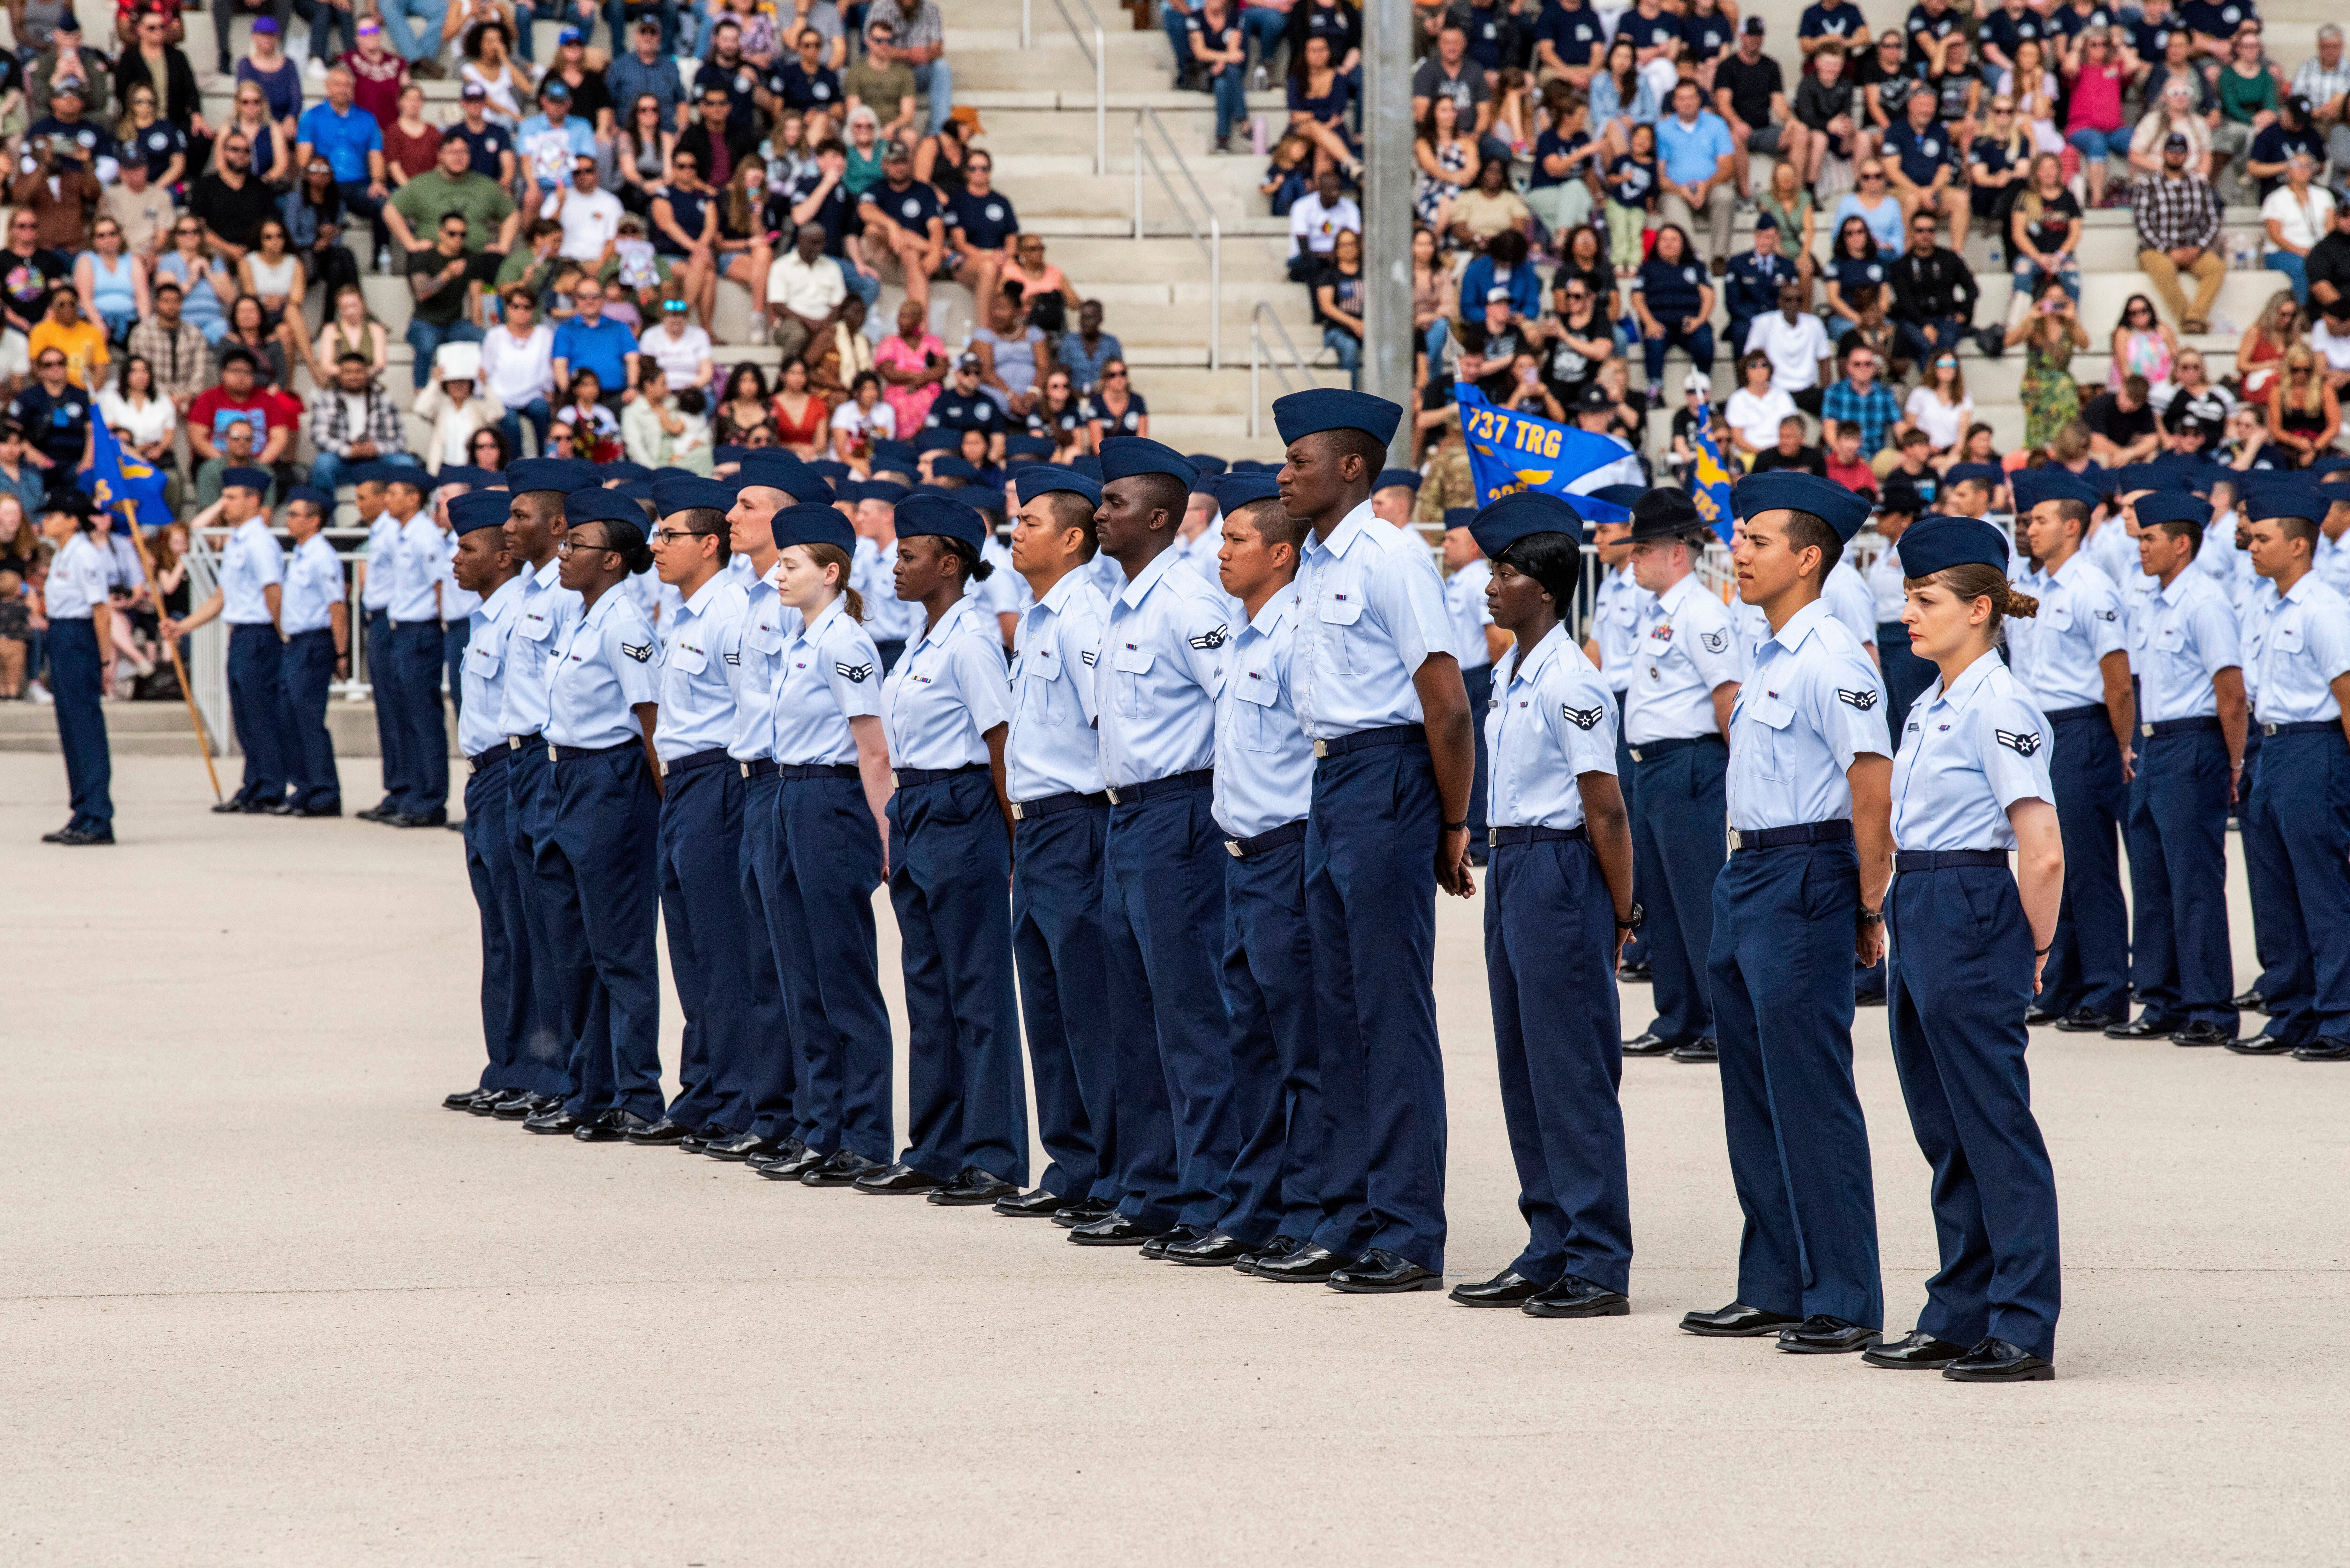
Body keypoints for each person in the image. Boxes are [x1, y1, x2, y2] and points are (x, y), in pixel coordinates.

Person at [1252, 389, 1470, 1293]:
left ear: (1351, 466)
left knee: (1388, 1013)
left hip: (1387, 777)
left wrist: (1453, 823)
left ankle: (1409, 1230)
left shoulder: (1389, 558)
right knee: (1334, 1013)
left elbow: (1446, 700)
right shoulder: (1310, 566)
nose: (1282, 472)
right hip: (1331, 777)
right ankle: (1348, 1215)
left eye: (1298, 459)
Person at [1680, 471, 1891, 1355]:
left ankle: (1842, 1294)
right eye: (1739, 536)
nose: (1739, 550)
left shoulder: (1832, 657)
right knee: (1754, 1093)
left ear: (1808, 558)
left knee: (1810, 1092)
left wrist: (1869, 900)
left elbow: (1871, 780)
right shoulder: (1767, 649)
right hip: (1751, 871)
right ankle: (1773, 1281)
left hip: (1806, 869)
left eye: (1758, 539)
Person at [1868, 511, 2065, 1382]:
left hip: (1973, 903)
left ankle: (2022, 1325)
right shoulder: (1933, 703)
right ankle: (1959, 1311)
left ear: (1980, 609)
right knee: (1944, 1129)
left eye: (1927, 599)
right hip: (1923, 900)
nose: (1910, 613)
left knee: (1993, 1126)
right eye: (1908, 597)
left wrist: (2030, 950)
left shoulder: (2000, 704)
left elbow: (2043, 845)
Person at [1068, 437, 1237, 1251]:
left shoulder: (1189, 600)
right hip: (1124, 815)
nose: (1100, 513)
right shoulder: (1123, 599)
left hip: (1179, 812)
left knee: (1188, 1015)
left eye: (1116, 503)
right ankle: (1151, 1187)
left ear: (1162, 518)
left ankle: (1207, 1195)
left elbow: (1233, 709)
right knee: (1131, 1014)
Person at [854, 490, 1026, 1202]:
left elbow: (1001, 746)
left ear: (949, 563)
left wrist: (1011, 844)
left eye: (910, 555)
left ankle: (993, 1154)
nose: (896, 567)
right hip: (920, 806)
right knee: (928, 989)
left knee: (976, 990)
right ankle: (935, 1144)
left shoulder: (974, 640)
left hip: (963, 809)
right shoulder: (923, 641)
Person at [745, 481, 897, 1185]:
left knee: (843, 977)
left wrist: (886, 837)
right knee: (798, 972)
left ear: (831, 572)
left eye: (792, 565)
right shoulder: (799, 638)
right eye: (778, 565)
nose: (779, 575)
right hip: (787, 796)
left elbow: (873, 750)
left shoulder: (847, 643)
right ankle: (818, 1126)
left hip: (831, 805)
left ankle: (862, 1135)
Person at [519, 485, 665, 1141]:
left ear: (613, 559)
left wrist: (657, 804)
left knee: (619, 947)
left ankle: (636, 1092)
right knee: (571, 946)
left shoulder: (627, 624)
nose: (564, 551)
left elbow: (650, 722)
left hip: (611, 779)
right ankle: (587, 1084)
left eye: (577, 544)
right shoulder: (582, 617)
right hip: (566, 773)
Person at [993, 467, 1118, 1224]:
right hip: (1037, 824)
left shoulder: (1082, 617)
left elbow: (1111, 721)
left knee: (1087, 1002)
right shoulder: (1041, 616)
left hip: (1077, 820)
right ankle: (1071, 1160)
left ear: (1072, 538)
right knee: (1046, 999)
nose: (1017, 528)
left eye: (1031, 520)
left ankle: (1109, 1167)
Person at [473, 454, 603, 1121]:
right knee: (520, 926)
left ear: (557, 523)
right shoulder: (524, 591)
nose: (509, 525)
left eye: (520, 514)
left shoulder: (564, 594)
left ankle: (561, 1072)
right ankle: (530, 1065)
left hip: (549, 763)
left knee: (557, 931)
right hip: (516, 761)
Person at [2104, 490, 2245, 1045]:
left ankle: (2210, 1006)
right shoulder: (2155, 599)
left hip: (2194, 743)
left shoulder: (2203, 600)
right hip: (2155, 743)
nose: (2140, 547)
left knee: (2194, 882)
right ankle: (2161, 1000)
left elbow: (2230, 693)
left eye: (2150, 539)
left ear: (2181, 544)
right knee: (2152, 878)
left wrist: (2233, 761)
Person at [2000, 468, 2133, 1037]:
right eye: (2027, 520)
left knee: (2089, 864)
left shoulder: (2090, 588)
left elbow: (2117, 679)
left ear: (2074, 527)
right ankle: (2063, 983)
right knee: (2051, 857)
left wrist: (2123, 745)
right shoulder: (2036, 589)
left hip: (2082, 730)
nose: (2030, 528)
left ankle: (2105, 989)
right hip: (2041, 731)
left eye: (2041, 520)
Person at [1617, 487, 1741, 1064]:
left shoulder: (1702, 613)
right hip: (1654, 769)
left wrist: (1738, 781)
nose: (1633, 558)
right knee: (1660, 900)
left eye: (1643, 549)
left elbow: (1727, 698)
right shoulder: (1661, 612)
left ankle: (1722, 1017)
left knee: (1697, 898)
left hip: (1690, 765)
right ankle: (1677, 1014)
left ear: (1678, 553)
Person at [2227, 484, 2350, 1061]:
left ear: (2299, 545)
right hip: (2270, 748)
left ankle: (2341, 1016)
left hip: (2314, 748)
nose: (2251, 545)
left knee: (2322, 889)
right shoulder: (2270, 604)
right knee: (2273, 891)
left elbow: (2348, 697)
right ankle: (2292, 1010)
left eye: (2264, 538)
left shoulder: (2323, 609)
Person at [440, 488, 537, 1113]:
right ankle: (503, 1063)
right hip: (482, 777)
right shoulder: (485, 616)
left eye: (466, 547)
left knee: (522, 929)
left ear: (503, 555)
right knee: (498, 930)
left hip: (509, 771)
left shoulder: (522, 614)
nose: (455, 558)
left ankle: (531, 1067)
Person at [164, 468, 297, 815]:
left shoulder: (260, 542)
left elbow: (273, 592)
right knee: (244, 715)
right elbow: (222, 596)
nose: (226, 504)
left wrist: (282, 634)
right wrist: (184, 627)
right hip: (240, 634)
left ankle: (270, 785)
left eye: (233, 497)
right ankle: (254, 783)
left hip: (260, 635)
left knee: (260, 713)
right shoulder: (238, 539)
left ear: (254, 500)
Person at [36, 492, 113, 846]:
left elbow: (101, 609)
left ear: (71, 520)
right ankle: (82, 809)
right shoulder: (63, 554)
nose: (46, 521)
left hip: (79, 636)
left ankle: (98, 816)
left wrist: (105, 659)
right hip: (62, 634)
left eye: (54, 515)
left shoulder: (85, 555)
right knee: (70, 727)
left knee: (85, 728)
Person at [276, 486, 346, 820]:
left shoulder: (322, 555)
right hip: (296, 643)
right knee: (291, 718)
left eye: (295, 514)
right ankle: (304, 787)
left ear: (314, 521)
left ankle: (324, 792)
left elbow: (337, 607)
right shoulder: (303, 553)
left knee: (308, 719)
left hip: (314, 643)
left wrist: (341, 652)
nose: (288, 520)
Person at [2133, 132, 2225, 335]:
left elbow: (2212, 221)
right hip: (2157, 249)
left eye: (2180, 151)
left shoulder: (2200, 185)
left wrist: (2199, 247)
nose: (2176, 155)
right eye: (2171, 150)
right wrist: (2168, 250)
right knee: (2164, 268)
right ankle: (2189, 322)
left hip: (2193, 248)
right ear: (2163, 153)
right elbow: (2143, 225)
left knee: (2216, 267)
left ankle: (2195, 318)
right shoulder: (2147, 186)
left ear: (2187, 155)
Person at [1655, 78, 1735, 268]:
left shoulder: (1717, 124)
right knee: (1672, 204)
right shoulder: (1662, 129)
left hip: (1711, 187)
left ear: (1700, 100)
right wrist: (1681, 190)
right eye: (1682, 98)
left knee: (1726, 195)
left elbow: (1727, 166)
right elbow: (1661, 176)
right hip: (1676, 192)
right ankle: (1693, 259)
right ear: (1674, 103)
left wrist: (1706, 185)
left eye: (1692, 97)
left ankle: (1719, 258)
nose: (1687, 102)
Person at [1888, 209, 1979, 371]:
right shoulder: (1900, 265)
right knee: (1925, 344)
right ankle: (1934, 390)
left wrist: (1965, 312)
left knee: (1945, 346)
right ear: (1911, 232)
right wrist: (1925, 325)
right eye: (1920, 230)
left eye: (1931, 230)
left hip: (1946, 317)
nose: (1926, 235)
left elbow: (1972, 288)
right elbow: (1905, 300)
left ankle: (1945, 389)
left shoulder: (1950, 259)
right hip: (1913, 319)